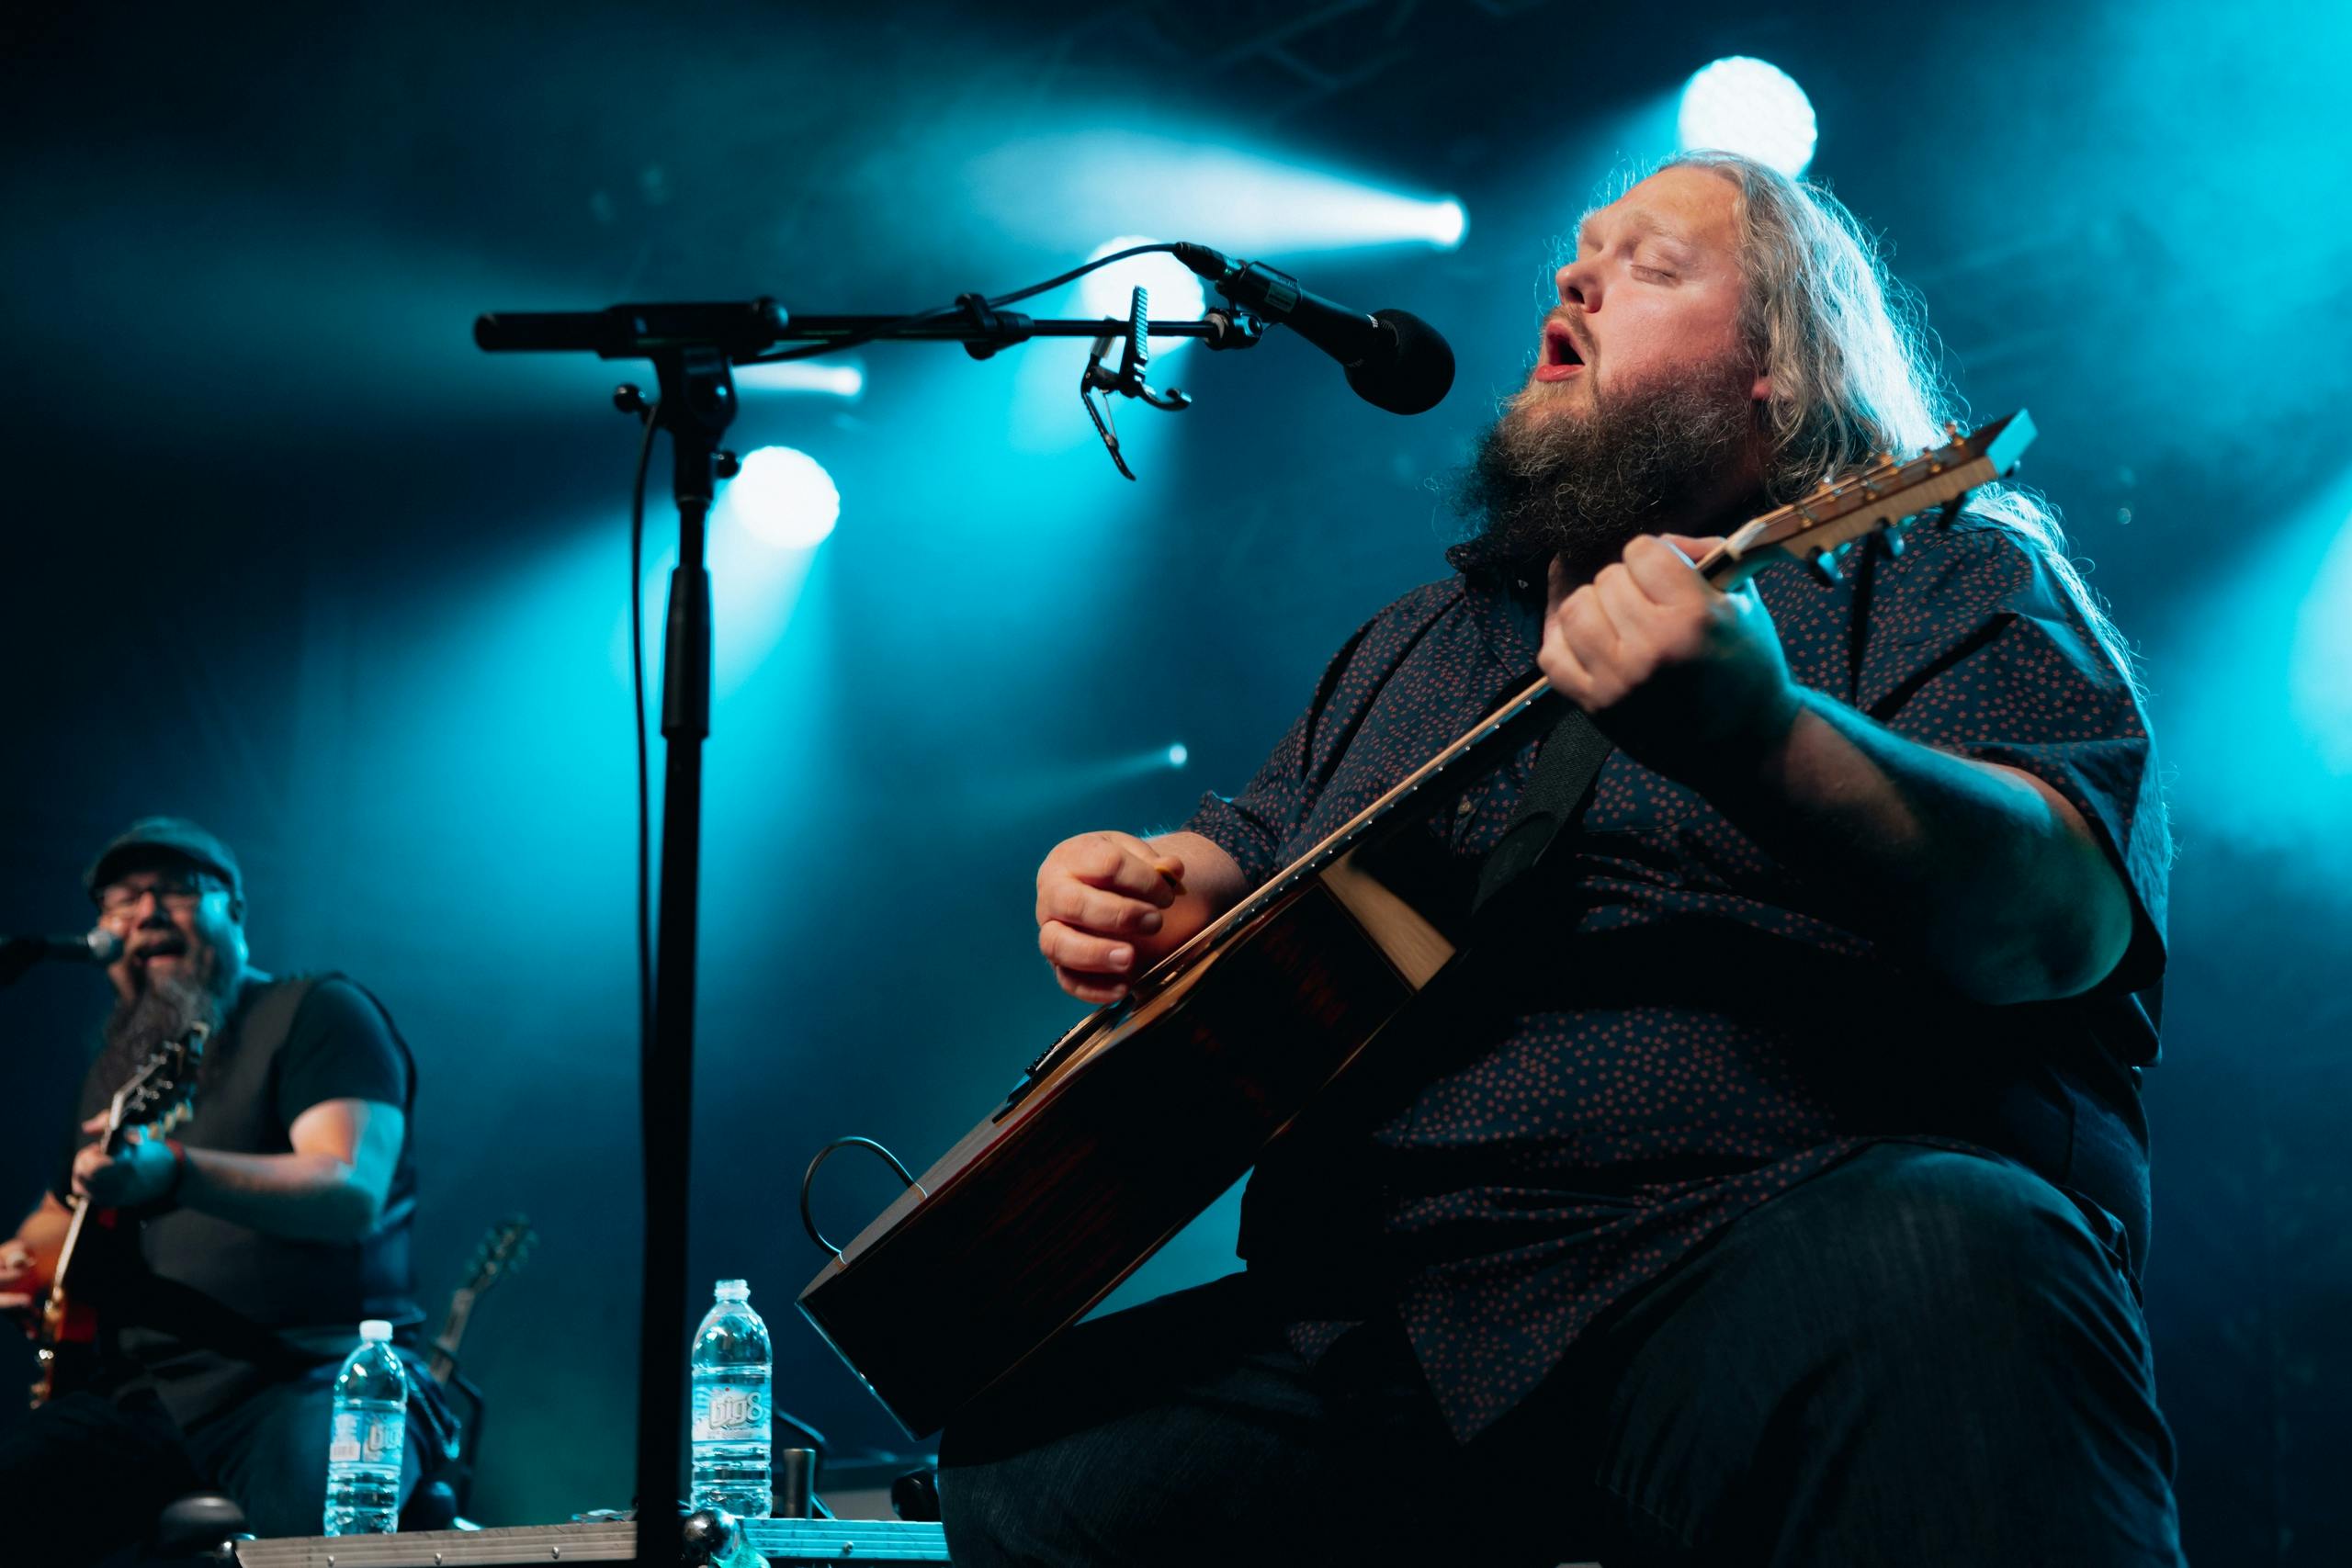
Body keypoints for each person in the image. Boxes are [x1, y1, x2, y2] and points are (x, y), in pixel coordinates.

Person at [939, 152, 2180, 1565]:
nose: (1576, 278)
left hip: (1750, 1240)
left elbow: (2055, 919)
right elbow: (1244, 855)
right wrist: (1142, 887)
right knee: (1025, 1453)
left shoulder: (1934, 563)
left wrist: (1765, 735)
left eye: (1649, 263)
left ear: (1782, 366)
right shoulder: (1423, 636)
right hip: (1384, 1314)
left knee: (1953, 1254)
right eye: (1581, 253)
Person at [0, 818, 450, 1560]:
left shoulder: (315, 1012)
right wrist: (20, 1263)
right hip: (143, 1397)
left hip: (312, 1374)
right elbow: (58, 1214)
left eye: (176, 889)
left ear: (235, 911)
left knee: (324, 1533)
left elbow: (348, 1187)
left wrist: (176, 1169)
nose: (148, 913)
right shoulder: (115, 1074)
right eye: (122, 899)